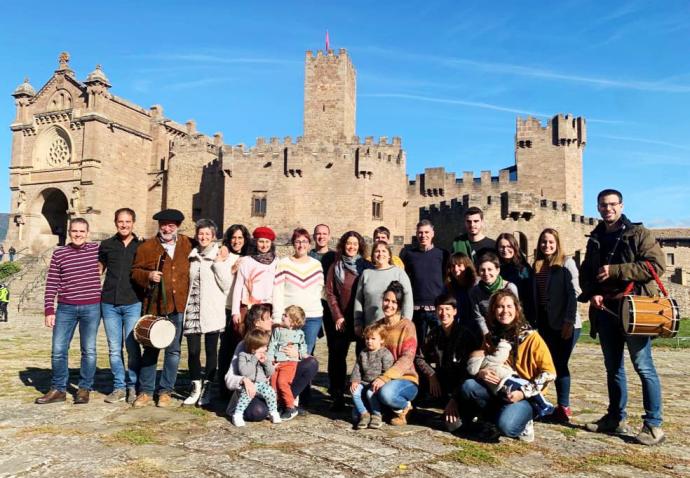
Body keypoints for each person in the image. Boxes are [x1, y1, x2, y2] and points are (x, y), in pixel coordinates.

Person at [580, 189, 666, 445]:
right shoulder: (595, 237)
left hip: (635, 309)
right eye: (603, 205)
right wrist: (593, 292)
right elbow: (587, 271)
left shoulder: (639, 234)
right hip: (606, 311)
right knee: (613, 368)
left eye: (612, 204)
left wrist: (616, 270)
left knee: (643, 366)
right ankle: (615, 418)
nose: (608, 209)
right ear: (597, 208)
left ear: (621, 205)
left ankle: (653, 425)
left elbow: (655, 266)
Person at [458, 290, 555, 442]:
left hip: (525, 394)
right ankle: (493, 415)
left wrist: (523, 393)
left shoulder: (531, 338)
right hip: (499, 389)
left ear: (517, 309)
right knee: (469, 386)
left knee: (507, 426)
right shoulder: (491, 337)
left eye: (509, 306)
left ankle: (523, 420)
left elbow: (549, 373)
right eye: (500, 307)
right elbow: (483, 360)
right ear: (493, 310)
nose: (505, 311)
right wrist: (481, 373)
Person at [130, 209, 193, 408]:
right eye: (163, 225)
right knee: (150, 349)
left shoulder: (189, 244)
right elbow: (135, 272)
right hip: (155, 306)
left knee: (173, 351)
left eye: (171, 225)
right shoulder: (147, 246)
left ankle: (166, 391)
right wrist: (147, 276)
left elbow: (209, 245)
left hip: (179, 305)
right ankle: (146, 391)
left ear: (178, 227)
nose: (167, 228)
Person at [36, 218, 101, 405]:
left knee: (88, 350)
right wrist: (49, 309)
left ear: (87, 233)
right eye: (75, 231)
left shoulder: (97, 251)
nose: (78, 234)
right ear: (69, 231)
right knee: (58, 350)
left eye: (82, 231)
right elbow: (52, 283)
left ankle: (84, 389)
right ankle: (58, 389)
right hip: (66, 307)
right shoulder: (59, 253)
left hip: (92, 306)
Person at [225, 304, 319, 422]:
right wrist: (243, 380)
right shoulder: (246, 344)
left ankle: (285, 404)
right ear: (257, 322)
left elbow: (302, 351)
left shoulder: (279, 334)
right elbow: (229, 377)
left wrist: (297, 354)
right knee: (258, 412)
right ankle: (259, 408)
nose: (272, 320)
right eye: (268, 318)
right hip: (256, 389)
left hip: (276, 382)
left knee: (311, 363)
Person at [532, 228, 581, 423]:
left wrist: (569, 321)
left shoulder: (567, 263)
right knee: (545, 364)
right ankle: (542, 403)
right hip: (544, 321)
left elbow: (574, 293)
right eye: (544, 241)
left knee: (560, 364)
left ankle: (564, 406)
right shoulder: (537, 265)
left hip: (566, 322)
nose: (547, 245)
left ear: (558, 243)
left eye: (551, 242)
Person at [182, 219, 232, 406]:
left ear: (213, 237)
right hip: (193, 308)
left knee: (212, 352)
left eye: (207, 234)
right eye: (200, 234)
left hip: (212, 309)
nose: (203, 237)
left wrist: (218, 263)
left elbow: (226, 285)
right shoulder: (191, 255)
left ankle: (207, 388)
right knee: (193, 352)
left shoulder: (220, 256)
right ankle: (195, 387)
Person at [325, 230, 373, 410]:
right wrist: (337, 315)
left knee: (363, 358)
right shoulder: (335, 267)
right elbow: (330, 293)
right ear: (343, 245)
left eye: (355, 244)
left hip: (362, 319)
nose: (351, 247)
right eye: (348, 244)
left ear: (359, 246)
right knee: (337, 357)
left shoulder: (366, 266)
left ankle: (361, 395)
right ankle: (337, 394)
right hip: (343, 319)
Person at [99, 208, 143, 404]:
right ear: (115, 222)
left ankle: (133, 386)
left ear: (133, 222)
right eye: (120, 221)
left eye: (127, 221)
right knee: (114, 348)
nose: (124, 225)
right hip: (109, 303)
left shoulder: (142, 246)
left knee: (132, 347)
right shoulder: (106, 245)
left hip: (133, 302)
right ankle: (119, 386)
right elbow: (98, 270)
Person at [414, 294, 466, 431]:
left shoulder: (465, 334)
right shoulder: (434, 333)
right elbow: (419, 357)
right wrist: (431, 375)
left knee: (452, 426)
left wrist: (455, 398)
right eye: (440, 309)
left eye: (447, 309)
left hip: (461, 386)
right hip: (442, 380)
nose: (444, 313)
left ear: (455, 311)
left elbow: (468, 372)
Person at [370, 281, 419, 425]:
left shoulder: (407, 326)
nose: (389, 305)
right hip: (381, 377)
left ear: (399, 305)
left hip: (405, 379)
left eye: (394, 302)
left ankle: (405, 408)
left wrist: (386, 377)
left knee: (386, 394)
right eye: (386, 300)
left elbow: (407, 358)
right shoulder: (378, 326)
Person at [272, 228, 324, 355]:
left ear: (309, 243)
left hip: (312, 317)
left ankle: (304, 375)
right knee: (286, 353)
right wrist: (277, 317)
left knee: (305, 353)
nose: (301, 245)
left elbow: (320, 290)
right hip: (290, 318)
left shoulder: (316, 265)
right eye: (298, 241)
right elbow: (277, 291)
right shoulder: (283, 263)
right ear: (293, 244)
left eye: (304, 241)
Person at [400, 220, 449, 348]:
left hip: (437, 310)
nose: (423, 236)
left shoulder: (442, 254)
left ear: (433, 234)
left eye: (426, 232)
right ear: (416, 234)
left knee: (441, 347)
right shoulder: (409, 255)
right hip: (417, 310)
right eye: (420, 233)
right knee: (418, 348)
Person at [218, 223, 252, 398]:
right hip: (227, 308)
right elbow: (220, 281)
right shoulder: (224, 255)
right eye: (233, 238)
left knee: (243, 349)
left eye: (240, 238)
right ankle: (224, 387)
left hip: (245, 309)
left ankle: (242, 386)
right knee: (226, 349)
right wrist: (232, 269)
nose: (236, 241)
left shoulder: (250, 257)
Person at [354, 241, 413, 334]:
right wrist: (357, 322)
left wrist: (406, 322)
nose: (380, 254)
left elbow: (408, 298)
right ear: (373, 255)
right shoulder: (366, 274)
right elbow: (358, 300)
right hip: (371, 328)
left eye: (384, 251)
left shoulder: (399, 273)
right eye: (377, 251)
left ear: (389, 255)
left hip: (394, 327)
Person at [231, 226, 278, 335]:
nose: (264, 245)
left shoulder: (276, 262)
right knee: (248, 338)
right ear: (256, 242)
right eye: (261, 241)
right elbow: (238, 287)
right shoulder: (246, 261)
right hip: (249, 307)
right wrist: (235, 312)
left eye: (267, 242)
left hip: (268, 307)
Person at [231, 328, 282, 427]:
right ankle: (237, 414)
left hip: (262, 383)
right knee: (247, 395)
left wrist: (266, 362)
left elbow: (271, 372)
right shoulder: (243, 356)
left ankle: (273, 412)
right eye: (263, 347)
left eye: (266, 346)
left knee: (271, 392)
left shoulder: (265, 356)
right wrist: (254, 359)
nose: (266, 349)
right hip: (249, 384)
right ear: (254, 348)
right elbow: (245, 372)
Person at [350, 322, 394, 429]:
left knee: (370, 393)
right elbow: (357, 368)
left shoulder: (385, 354)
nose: (369, 341)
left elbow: (387, 372)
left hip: (377, 384)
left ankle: (376, 414)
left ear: (382, 340)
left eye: (373, 339)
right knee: (354, 392)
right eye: (367, 339)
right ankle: (364, 414)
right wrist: (355, 380)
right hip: (364, 382)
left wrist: (381, 380)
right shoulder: (363, 353)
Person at [267, 305, 308, 420]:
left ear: (293, 322)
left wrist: (300, 354)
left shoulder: (299, 334)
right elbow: (272, 344)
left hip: (290, 363)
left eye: (285, 315)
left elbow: (303, 348)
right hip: (276, 362)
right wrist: (270, 359)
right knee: (273, 384)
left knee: (282, 382)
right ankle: (277, 406)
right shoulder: (277, 330)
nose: (282, 316)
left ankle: (291, 407)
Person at [469, 252, 519, 335]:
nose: (486, 273)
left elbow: (516, 312)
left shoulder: (509, 287)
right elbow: (478, 317)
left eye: (490, 269)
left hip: (509, 330)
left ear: (497, 270)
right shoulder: (474, 291)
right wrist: (487, 335)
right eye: (482, 270)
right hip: (487, 331)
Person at [496, 232, 535, 326]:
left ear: (514, 247)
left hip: (521, 314)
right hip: (502, 313)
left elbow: (530, 296)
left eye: (509, 246)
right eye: (502, 247)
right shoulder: (496, 268)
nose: (505, 250)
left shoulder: (523, 269)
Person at [443, 252, 476, 324]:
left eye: (459, 265)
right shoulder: (448, 287)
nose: (456, 269)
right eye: (453, 266)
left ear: (467, 266)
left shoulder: (475, 285)